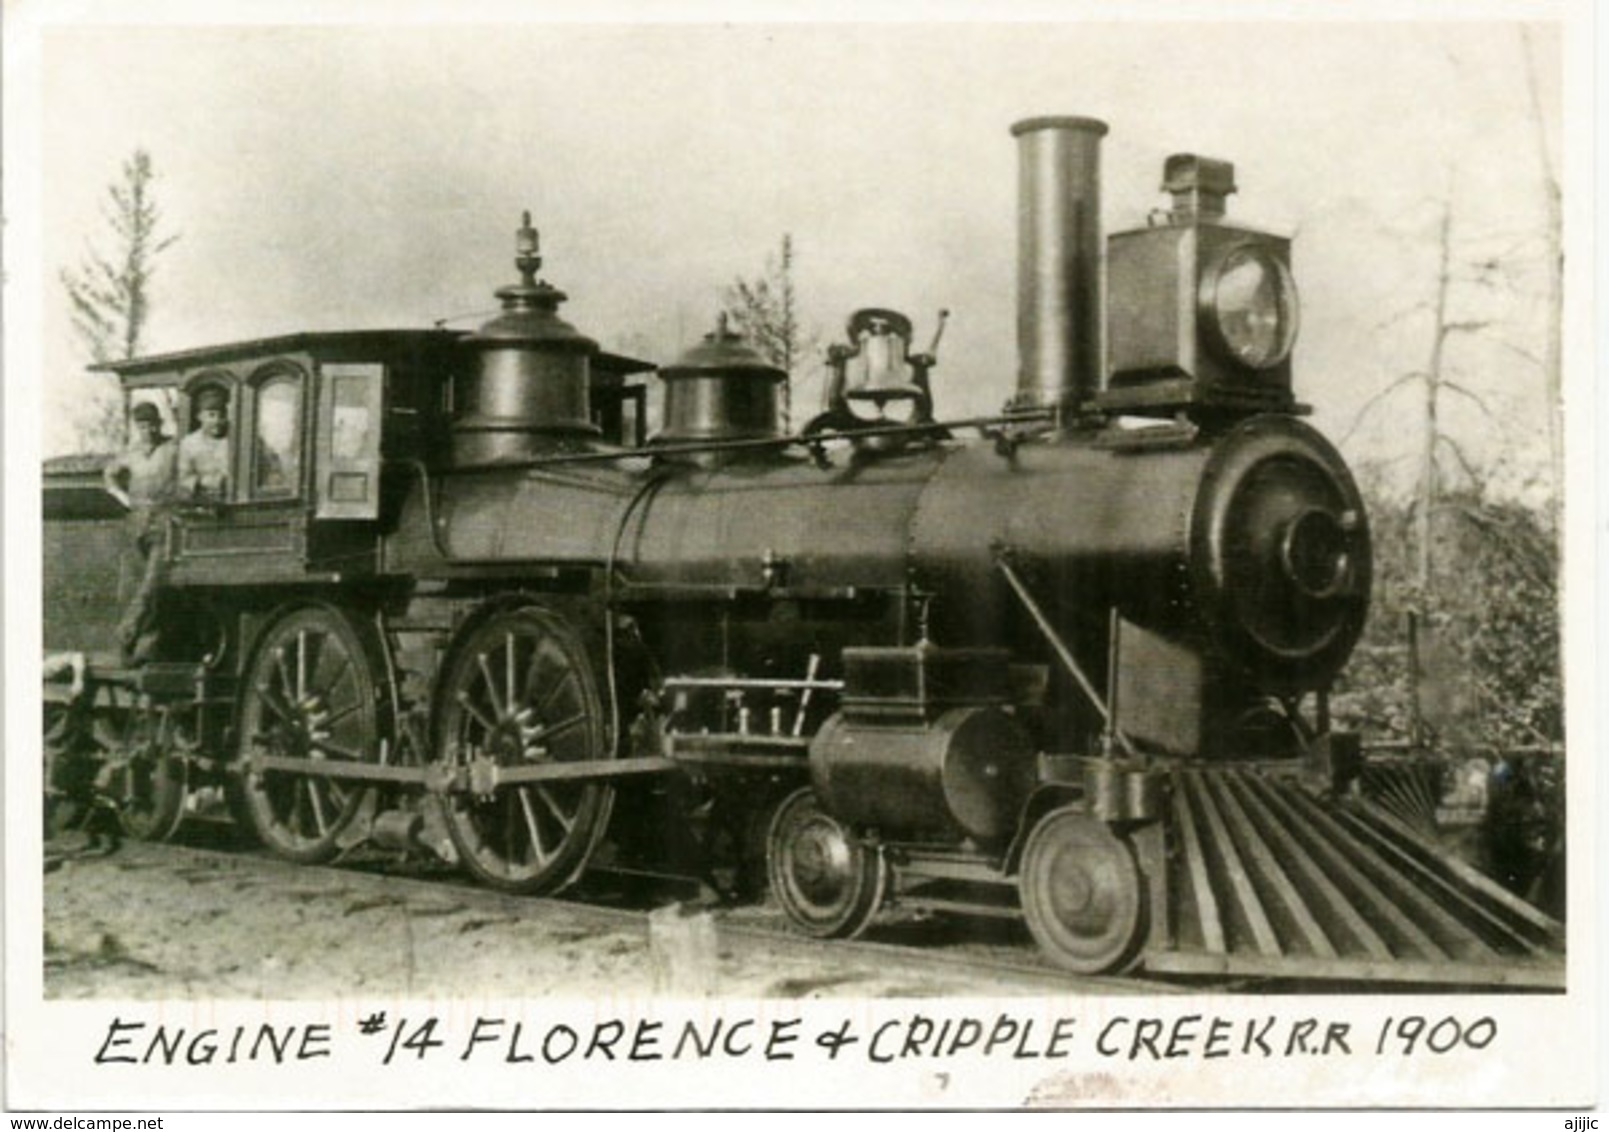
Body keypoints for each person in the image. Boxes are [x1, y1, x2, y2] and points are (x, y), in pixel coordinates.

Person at [104, 402, 177, 664]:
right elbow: (109, 475)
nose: (148, 430)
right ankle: (143, 651)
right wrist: (123, 497)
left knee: (151, 587)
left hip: (165, 521)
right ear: (138, 428)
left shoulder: (173, 449)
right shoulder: (130, 453)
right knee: (136, 585)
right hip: (137, 522)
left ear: (160, 423)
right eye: (143, 426)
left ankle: (126, 637)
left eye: (152, 425)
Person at [178, 387, 231, 498]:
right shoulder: (189, 444)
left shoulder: (234, 439)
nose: (217, 421)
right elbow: (182, 477)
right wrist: (205, 482)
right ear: (200, 416)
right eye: (211, 415)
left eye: (221, 416)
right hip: (202, 501)